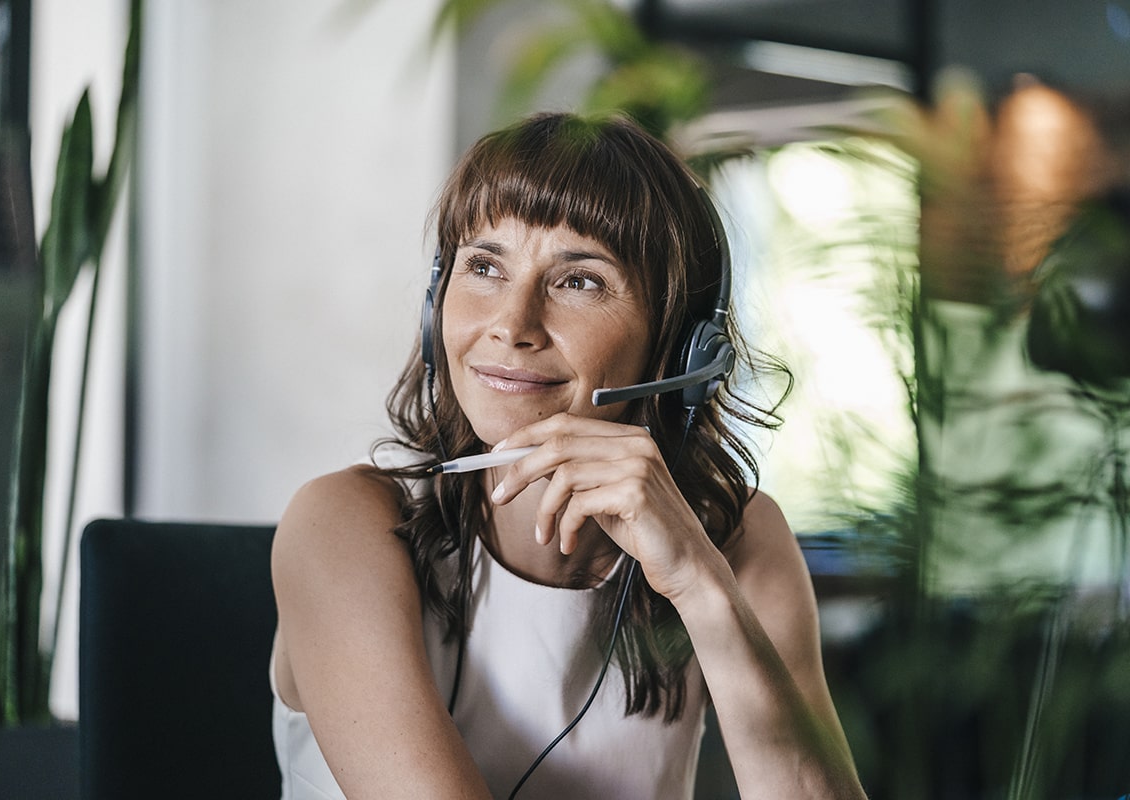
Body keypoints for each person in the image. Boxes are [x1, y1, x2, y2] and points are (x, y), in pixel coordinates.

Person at [269, 111, 867, 800]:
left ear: (679, 349)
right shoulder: (340, 525)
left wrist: (699, 581)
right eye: (484, 266)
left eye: (578, 280)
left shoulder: (736, 538)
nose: (512, 325)